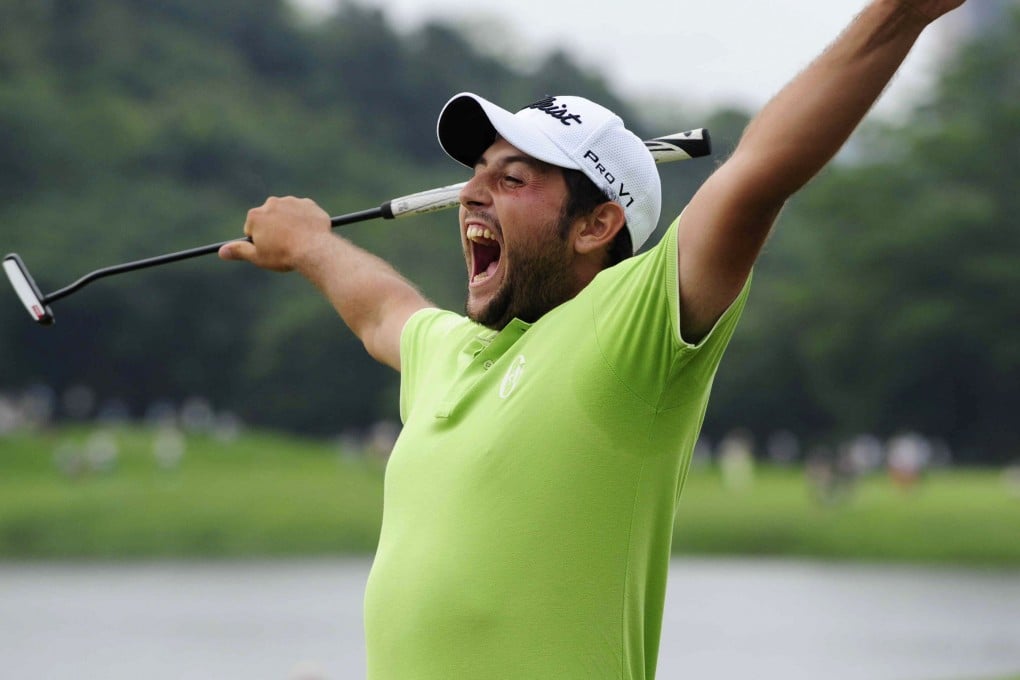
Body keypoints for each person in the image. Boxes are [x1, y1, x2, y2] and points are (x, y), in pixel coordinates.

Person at [219, 1, 965, 677]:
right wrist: (310, 246)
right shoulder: (453, 353)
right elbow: (383, 309)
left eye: (513, 180)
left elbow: (759, 174)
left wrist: (899, 14)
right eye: (476, 175)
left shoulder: (627, 333)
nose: (473, 194)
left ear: (596, 226)